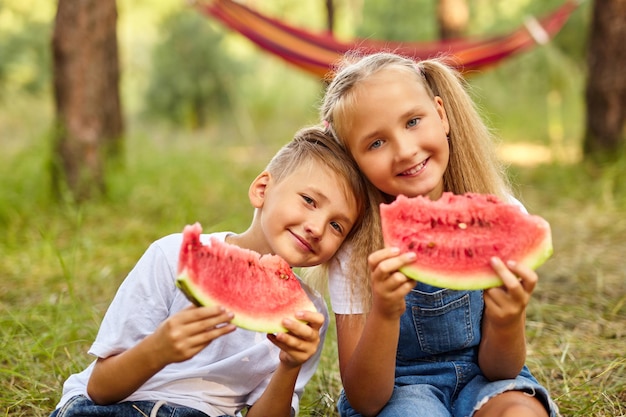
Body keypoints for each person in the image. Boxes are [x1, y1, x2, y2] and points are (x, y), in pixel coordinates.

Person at [49, 125, 377, 417]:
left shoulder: (308, 316)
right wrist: (160, 348)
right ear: (262, 189)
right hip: (112, 407)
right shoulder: (173, 255)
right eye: (308, 200)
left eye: (337, 225)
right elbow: (100, 388)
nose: (317, 228)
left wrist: (290, 365)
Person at [319, 51, 560, 417]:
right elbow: (366, 398)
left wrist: (507, 319)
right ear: (354, 161)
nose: (405, 150)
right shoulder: (354, 250)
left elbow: (501, 369)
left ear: (441, 114)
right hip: (399, 390)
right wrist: (384, 312)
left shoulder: (502, 217)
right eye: (376, 143)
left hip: (485, 379)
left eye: (413, 121)